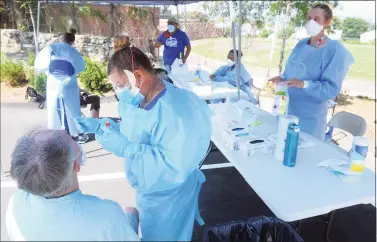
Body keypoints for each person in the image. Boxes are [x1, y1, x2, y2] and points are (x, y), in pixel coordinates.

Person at [74, 45, 212, 241]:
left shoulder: (175, 110)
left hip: (169, 196)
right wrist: (100, 127)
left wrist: (127, 148)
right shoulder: (136, 100)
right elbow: (131, 130)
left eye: (120, 85)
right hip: (150, 191)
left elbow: (172, 166)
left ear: (137, 75)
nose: (118, 92)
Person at [6, 128, 140, 241]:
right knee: (130, 211)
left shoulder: (16, 203)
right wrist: (130, 218)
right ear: (76, 165)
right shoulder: (108, 216)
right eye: (69, 139)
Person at [268, 3, 354, 141]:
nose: (311, 22)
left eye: (316, 19)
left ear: (326, 22)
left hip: (310, 119)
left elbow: (331, 89)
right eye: (309, 18)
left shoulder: (335, 50)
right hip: (288, 110)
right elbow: (291, 73)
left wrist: (305, 84)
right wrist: (282, 78)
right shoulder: (301, 45)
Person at [34, 28, 89, 144]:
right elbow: (80, 67)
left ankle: (54, 134)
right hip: (69, 82)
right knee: (73, 107)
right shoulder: (73, 51)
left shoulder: (51, 48)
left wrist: (49, 72)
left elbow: (39, 65)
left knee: (53, 106)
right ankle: (78, 134)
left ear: (61, 39)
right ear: (72, 42)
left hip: (53, 80)